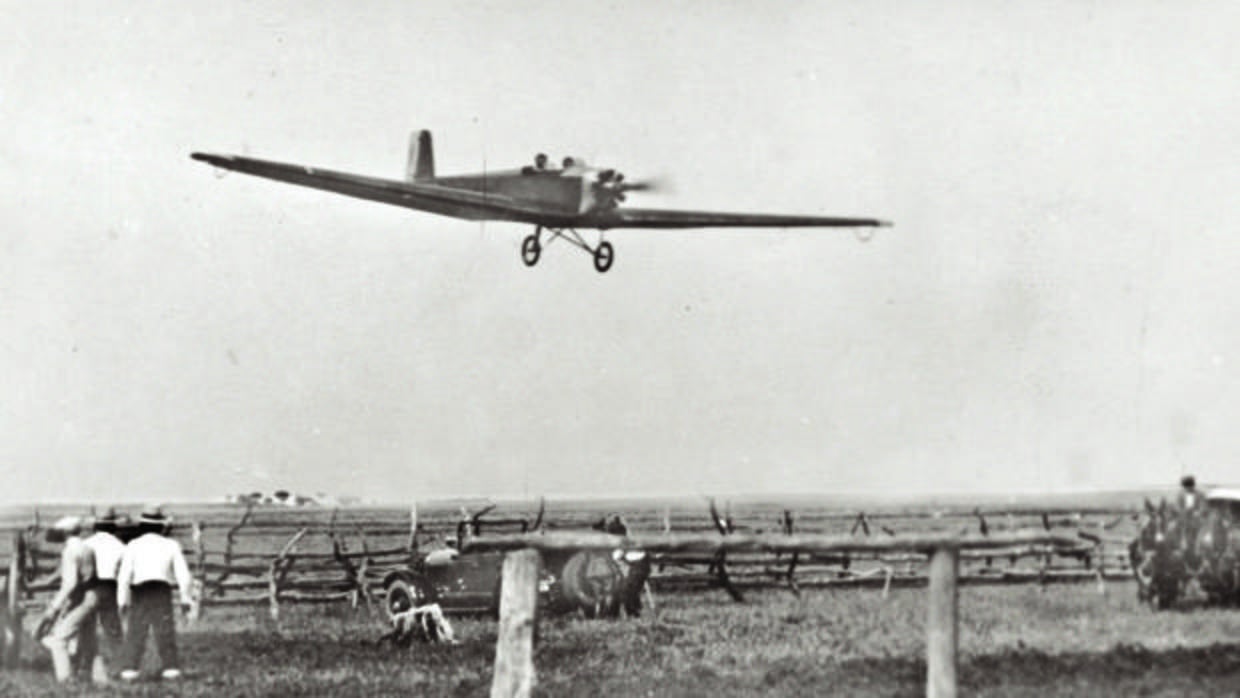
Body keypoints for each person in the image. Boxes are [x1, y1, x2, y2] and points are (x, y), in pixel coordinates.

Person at [116, 506, 193, 682]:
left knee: (136, 629)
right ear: (161, 526)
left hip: (140, 590)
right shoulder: (171, 545)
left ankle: (130, 669)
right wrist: (185, 598)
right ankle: (171, 668)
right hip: (161, 589)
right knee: (165, 629)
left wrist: (122, 601)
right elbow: (184, 575)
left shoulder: (133, 545)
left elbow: (124, 576)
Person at [39, 516, 103, 683]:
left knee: (58, 639)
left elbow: (70, 583)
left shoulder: (69, 551)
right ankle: (100, 679)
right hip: (93, 597)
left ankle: (66, 679)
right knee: (89, 641)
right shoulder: (87, 548)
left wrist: (54, 607)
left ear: (65, 533)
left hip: (81, 600)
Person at [85, 508, 127, 679]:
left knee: (86, 629)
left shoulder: (86, 543)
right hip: (110, 587)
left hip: (89, 586)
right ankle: (122, 666)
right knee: (113, 629)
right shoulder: (120, 546)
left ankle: (86, 666)